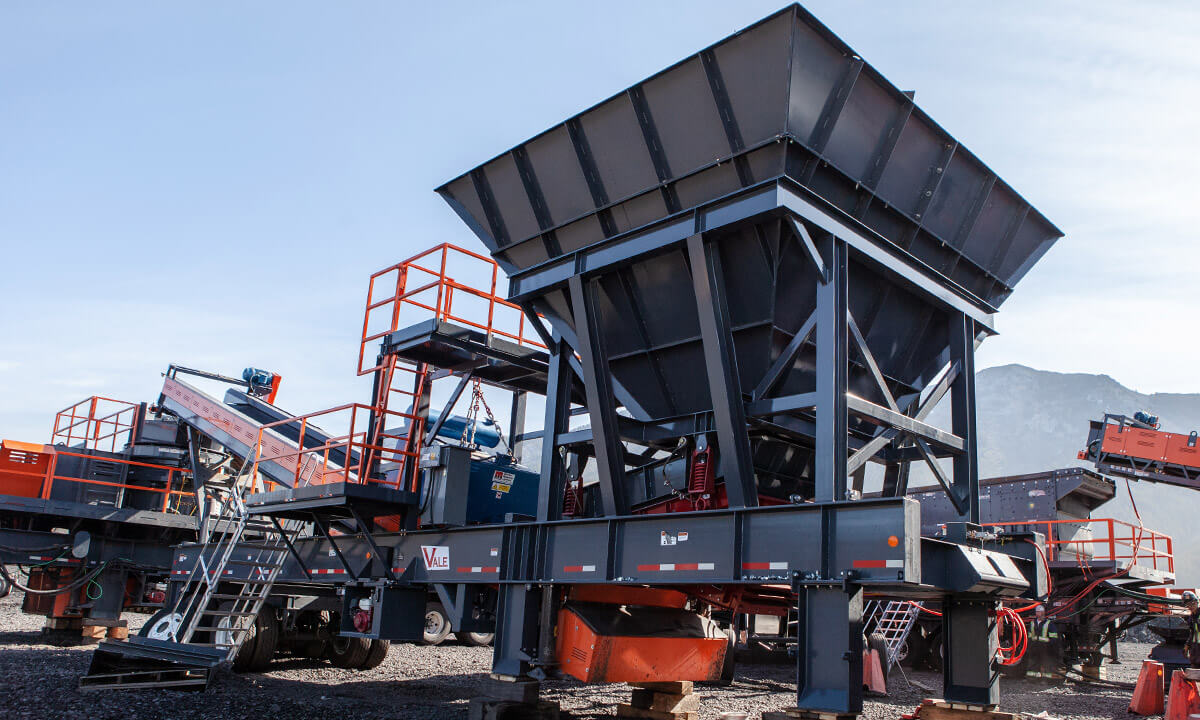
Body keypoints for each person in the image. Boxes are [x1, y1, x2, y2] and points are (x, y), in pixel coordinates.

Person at [1182, 591, 1200, 667]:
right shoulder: (1192, 618)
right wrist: (1187, 646)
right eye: (1188, 605)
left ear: (1197, 602)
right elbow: (1192, 633)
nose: (1190, 606)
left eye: (1192, 603)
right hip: (1195, 653)